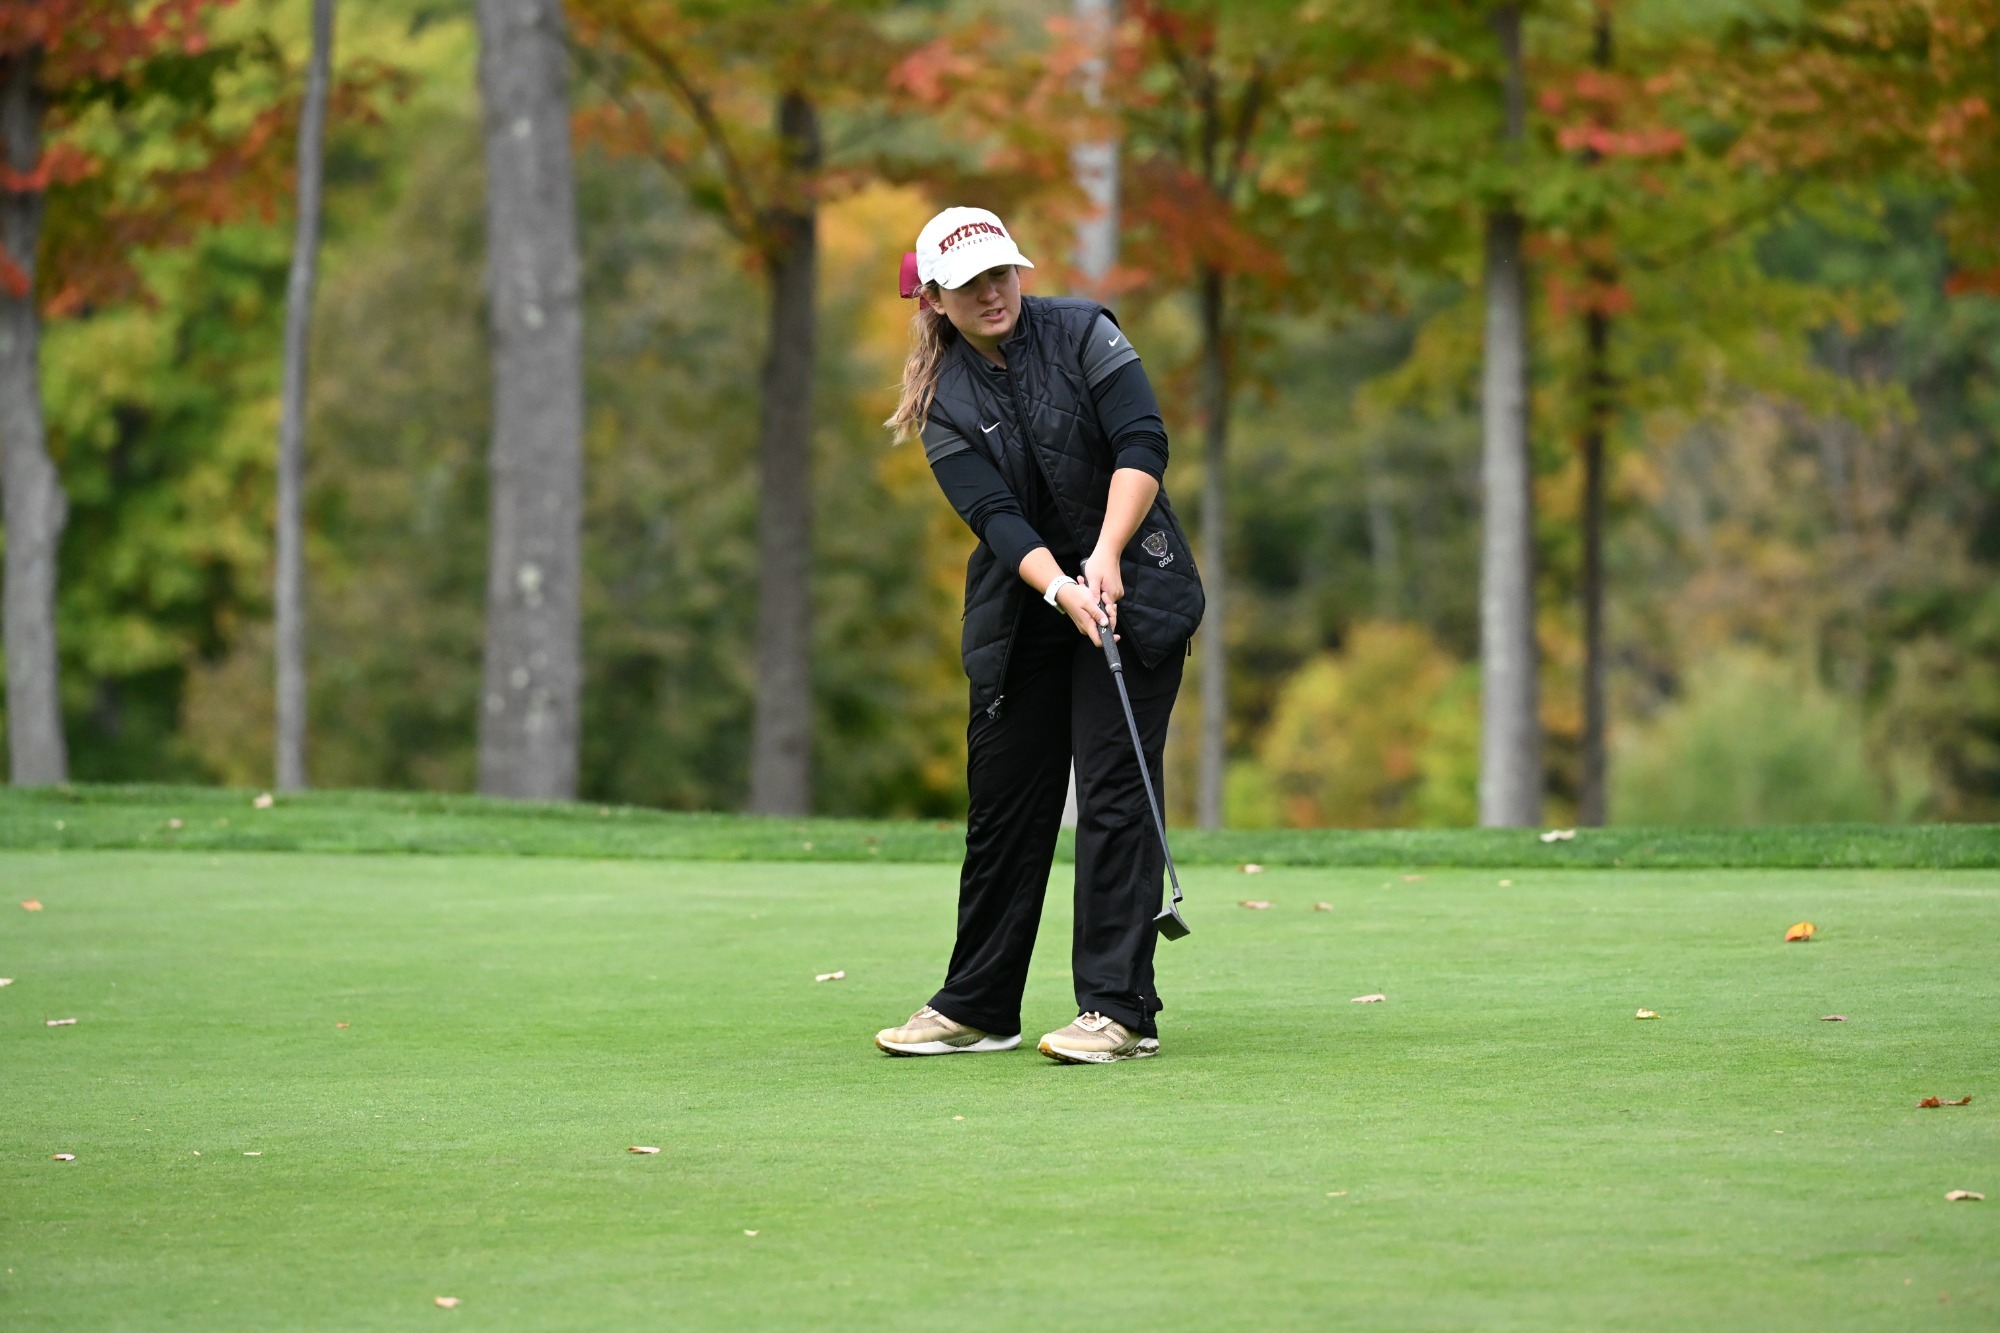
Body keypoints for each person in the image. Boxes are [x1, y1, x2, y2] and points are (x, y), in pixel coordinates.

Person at [874, 206, 1204, 1065]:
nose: (993, 292)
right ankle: (980, 1003)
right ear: (935, 300)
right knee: (1005, 800)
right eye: (970, 283)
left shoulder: (1085, 331)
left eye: (1002, 273)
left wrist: (1104, 554)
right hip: (1027, 601)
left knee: (1112, 789)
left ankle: (1119, 1009)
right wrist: (1059, 584)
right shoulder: (941, 398)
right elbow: (993, 515)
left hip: (1136, 583)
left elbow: (1143, 441)